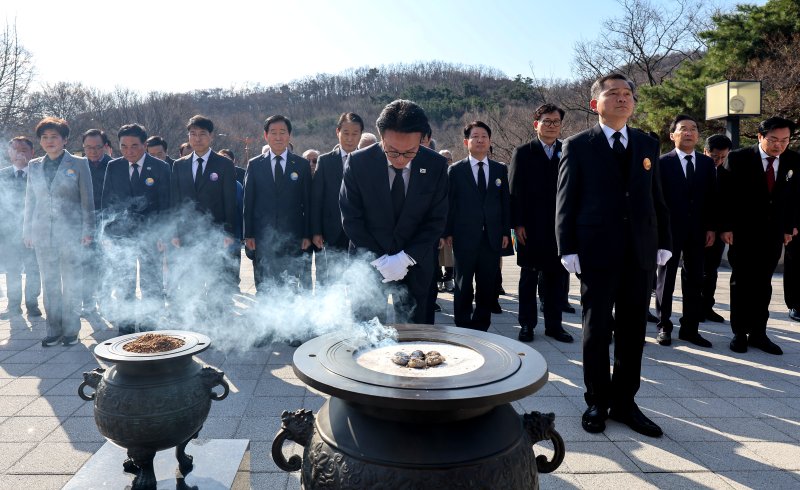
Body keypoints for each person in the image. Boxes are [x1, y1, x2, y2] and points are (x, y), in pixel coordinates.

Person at [556, 73, 671, 437]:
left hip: (639, 250)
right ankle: (596, 400)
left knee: (634, 330)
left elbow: (656, 197)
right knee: (596, 329)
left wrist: (664, 240)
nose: (622, 98)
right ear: (596, 104)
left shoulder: (647, 143)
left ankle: (625, 402)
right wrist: (567, 247)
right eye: (613, 94)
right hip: (597, 251)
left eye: (627, 94)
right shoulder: (578, 145)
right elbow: (566, 199)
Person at [340, 99, 448, 324]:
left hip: (416, 264)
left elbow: (436, 219)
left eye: (410, 152)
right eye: (392, 151)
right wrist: (381, 260)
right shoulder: (358, 163)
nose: (400, 159)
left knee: (416, 331)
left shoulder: (436, 165)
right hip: (369, 262)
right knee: (369, 331)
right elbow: (351, 218)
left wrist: (405, 258)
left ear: (423, 139)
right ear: (381, 137)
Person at [719, 116, 800, 355]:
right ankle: (739, 332)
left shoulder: (793, 160)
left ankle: (759, 333)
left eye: (784, 140)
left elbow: (795, 198)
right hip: (743, 232)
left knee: (764, 283)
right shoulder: (739, 158)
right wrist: (725, 226)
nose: (779, 145)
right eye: (773, 139)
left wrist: (790, 227)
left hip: (773, 233)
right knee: (742, 282)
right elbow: (725, 195)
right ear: (760, 136)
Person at [24, 117, 95, 347]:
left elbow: (87, 201)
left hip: (72, 233)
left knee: (71, 282)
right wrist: (27, 230)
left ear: (65, 139)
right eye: (44, 137)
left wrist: (88, 230)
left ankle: (71, 330)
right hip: (42, 232)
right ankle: (53, 329)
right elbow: (30, 201)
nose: (49, 141)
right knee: (50, 283)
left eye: (54, 136)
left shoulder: (79, 163)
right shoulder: (34, 165)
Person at [510, 103, 574, 343]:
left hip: (559, 226)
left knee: (556, 278)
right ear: (536, 124)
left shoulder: (567, 150)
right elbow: (515, 191)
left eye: (556, 122)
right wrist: (517, 224)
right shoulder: (523, 152)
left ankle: (554, 326)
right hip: (530, 227)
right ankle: (527, 324)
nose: (551, 126)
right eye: (546, 121)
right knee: (528, 277)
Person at [101, 124, 171, 334]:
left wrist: (163, 234)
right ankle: (127, 324)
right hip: (121, 234)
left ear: (144, 144)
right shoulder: (113, 167)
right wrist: (106, 233)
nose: (129, 151)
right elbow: (107, 201)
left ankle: (151, 325)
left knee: (151, 282)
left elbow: (166, 204)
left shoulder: (160, 167)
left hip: (151, 234)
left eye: (134, 146)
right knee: (124, 280)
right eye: (124, 146)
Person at [654, 115, 716, 347]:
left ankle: (690, 328)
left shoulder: (707, 163)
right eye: (683, 129)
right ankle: (664, 326)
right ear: (673, 135)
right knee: (665, 279)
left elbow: (711, 198)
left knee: (695, 280)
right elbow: (656, 199)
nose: (689, 133)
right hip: (669, 231)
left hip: (698, 231)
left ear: (698, 135)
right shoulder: (662, 163)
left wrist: (711, 227)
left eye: (693, 129)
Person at [445, 121, 510, 331]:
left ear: (490, 141)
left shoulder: (500, 169)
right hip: (464, 236)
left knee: (487, 283)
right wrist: (447, 231)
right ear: (466, 142)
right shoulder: (456, 170)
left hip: (491, 237)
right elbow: (449, 203)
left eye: (484, 136)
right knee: (463, 283)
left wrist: (505, 231)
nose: (480, 140)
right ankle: (462, 323)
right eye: (475, 136)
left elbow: (505, 202)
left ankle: (482, 324)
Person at [170, 115, 238, 305]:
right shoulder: (179, 164)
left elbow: (230, 201)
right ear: (188, 137)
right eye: (193, 134)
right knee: (192, 283)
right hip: (187, 234)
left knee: (216, 280)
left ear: (211, 136)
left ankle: (217, 317)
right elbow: (175, 202)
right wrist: (175, 232)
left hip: (216, 233)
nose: (197, 138)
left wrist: (228, 232)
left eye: (202, 134)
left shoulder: (224, 164)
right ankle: (195, 317)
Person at [244, 115, 311, 301]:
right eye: (273, 133)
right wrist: (248, 234)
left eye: (283, 132)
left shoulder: (301, 165)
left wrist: (307, 234)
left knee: (290, 286)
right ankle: (265, 318)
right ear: (266, 136)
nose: (278, 137)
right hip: (262, 236)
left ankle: (289, 319)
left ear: (289, 135)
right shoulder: (255, 164)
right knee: (264, 285)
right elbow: (248, 202)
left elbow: (308, 202)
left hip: (293, 236)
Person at [312, 113, 363, 288]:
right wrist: (316, 231)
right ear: (337, 132)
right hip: (332, 230)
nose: (350, 138)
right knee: (332, 279)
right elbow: (317, 199)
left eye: (355, 134)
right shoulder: (325, 161)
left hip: (361, 231)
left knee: (359, 280)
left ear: (361, 135)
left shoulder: (369, 160)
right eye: (346, 133)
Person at [0, 137, 42, 318]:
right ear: (9, 153)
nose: (20, 154)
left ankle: (32, 304)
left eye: (24, 150)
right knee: (12, 270)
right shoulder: (1, 175)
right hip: (8, 233)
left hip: (33, 231)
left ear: (32, 153)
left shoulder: (39, 174)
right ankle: (13, 306)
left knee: (33, 269)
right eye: (15, 150)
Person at [702, 134, 732, 323]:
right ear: (705, 151)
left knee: (711, 270)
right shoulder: (695, 170)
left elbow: (728, 206)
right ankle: (693, 308)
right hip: (696, 229)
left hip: (718, 230)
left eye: (723, 157)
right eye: (714, 156)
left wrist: (723, 229)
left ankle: (707, 306)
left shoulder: (727, 175)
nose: (718, 161)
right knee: (694, 271)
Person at [81, 129, 112, 315]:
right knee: (86, 265)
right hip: (84, 223)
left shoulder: (113, 165)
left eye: (97, 147)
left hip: (107, 223)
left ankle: (105, 301)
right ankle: (87, 302)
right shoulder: (78, 166)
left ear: (105, 146)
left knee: (105, 265)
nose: (93, 151)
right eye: (88, 147)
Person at [436, 149, 455, 293]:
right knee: (437, 255)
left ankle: (448, 279)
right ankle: (438, 279)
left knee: (449, 255)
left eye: (448, 159)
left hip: (451, 222)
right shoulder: (433, 176)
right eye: (443, 159)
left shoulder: (455, 175)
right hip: (436, 223)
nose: (446, 162)